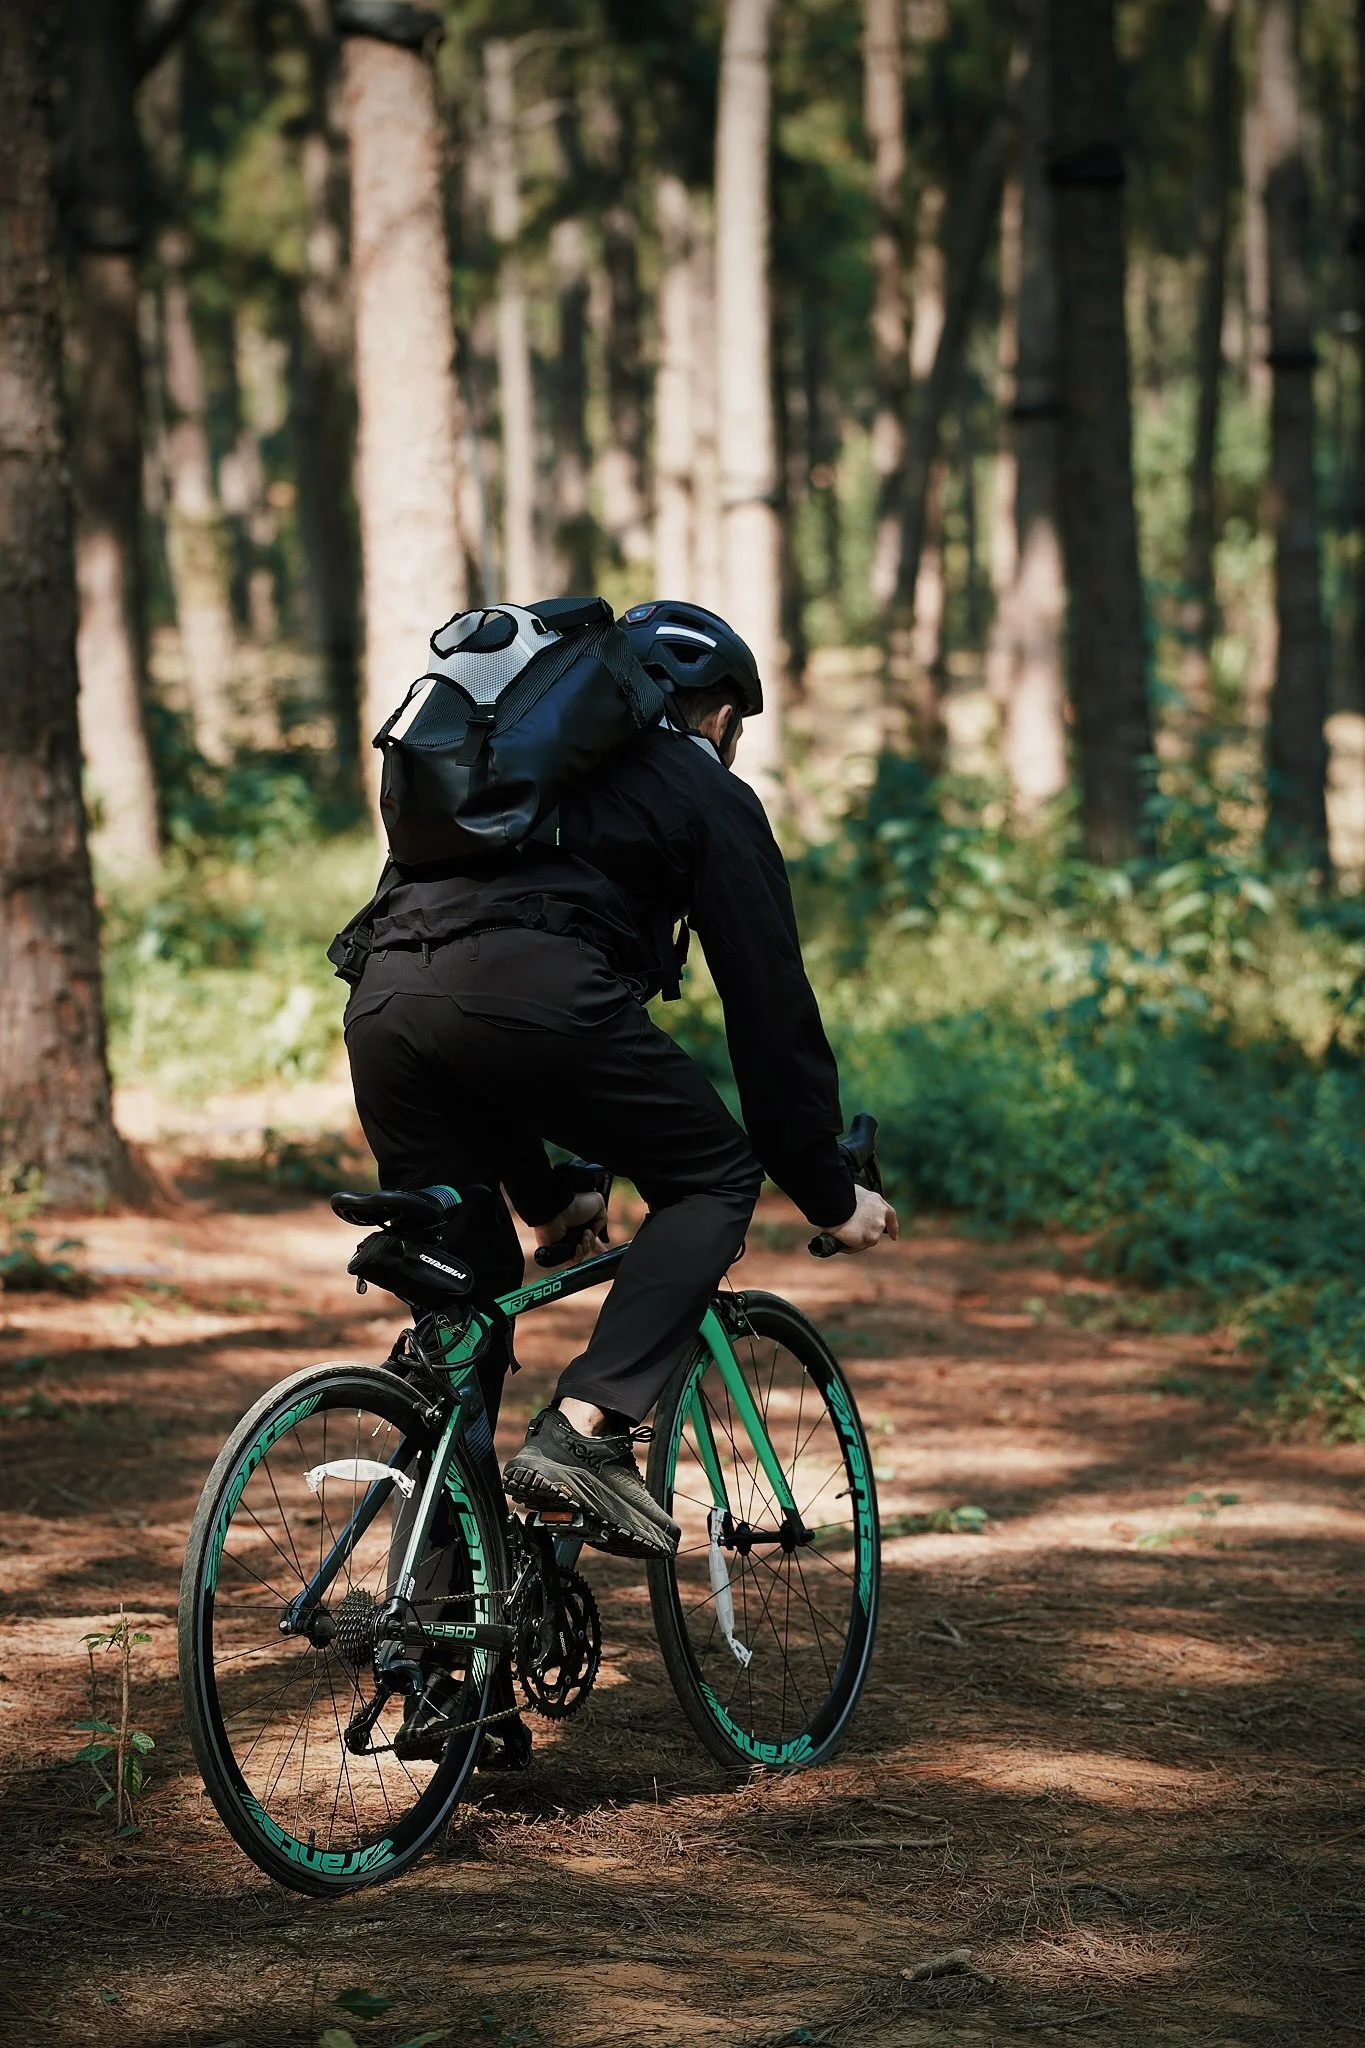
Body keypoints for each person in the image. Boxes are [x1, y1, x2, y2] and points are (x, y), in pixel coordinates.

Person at [342, 599, 898, 1570]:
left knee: (465, 1314)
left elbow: (473, 1011)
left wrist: (554, 1195)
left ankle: (440, 1650)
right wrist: (823, 1185)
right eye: (736, 722)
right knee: (715, 1175)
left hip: (387, 1003)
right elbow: (769, 1006)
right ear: (716, 711)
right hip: (535, 1002)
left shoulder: (507, 777)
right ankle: (588, 1428)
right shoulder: (697, 785)